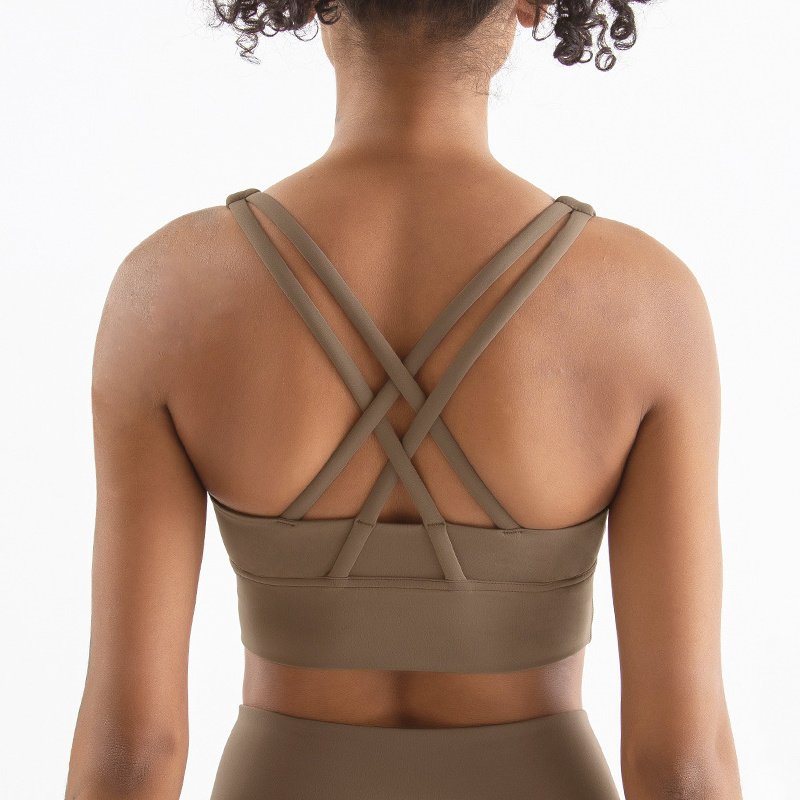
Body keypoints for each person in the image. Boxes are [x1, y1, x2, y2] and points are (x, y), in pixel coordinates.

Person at [65, 1, 743, 798]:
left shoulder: (169, 290)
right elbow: (678, 768)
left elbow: (136, 752)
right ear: (530, 6)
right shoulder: (645, 303)